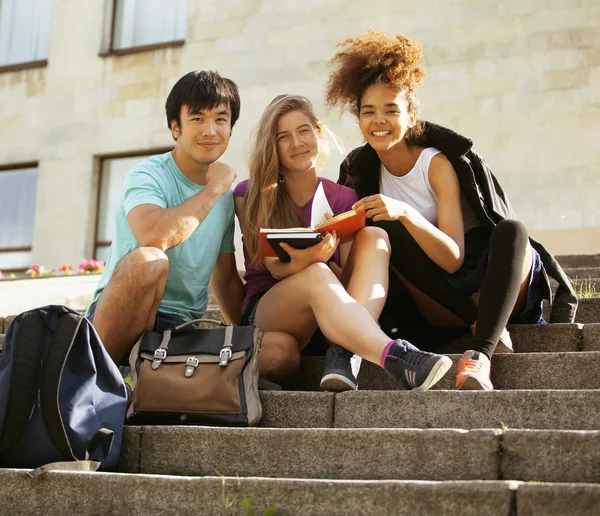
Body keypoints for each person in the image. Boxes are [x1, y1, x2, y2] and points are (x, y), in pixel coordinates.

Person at [326, 31, 577, 391]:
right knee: (383, 229)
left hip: (495, 280)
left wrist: (406, 213)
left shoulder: (436, 164)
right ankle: (477, 323)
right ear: (358, 118)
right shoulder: (360, 171)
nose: (379, 120)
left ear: (411, 115)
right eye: (369, 112)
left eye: (392, 110)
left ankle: (479, 357)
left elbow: (454, 259)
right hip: (443, 301)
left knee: (512, 230)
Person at [233, 94, 452, 392]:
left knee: (376, 236)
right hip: (270, 309)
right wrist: (314, 259)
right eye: (283, 137)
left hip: (330, 309)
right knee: (317, 273)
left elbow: (348, 280)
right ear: (272, 146)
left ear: (318, 133)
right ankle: (394, 354)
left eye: (303, 131)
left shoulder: (342, 197)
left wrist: (328, 264)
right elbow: (274, 268)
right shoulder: (251, 193)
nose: (297, 143)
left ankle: (343, 353)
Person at [87, 70, 245, 365]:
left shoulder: (223, 196)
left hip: (182, 331)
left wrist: (252, 338)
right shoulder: (148, 174)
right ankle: (96, 372)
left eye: (220, 119)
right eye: (197, 119)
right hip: (120, 317)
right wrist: (213, 190)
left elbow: (225, 279)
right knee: (149, 260)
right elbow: (153, 236)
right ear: (175, 127)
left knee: (277, 355)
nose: (210, 130)